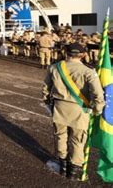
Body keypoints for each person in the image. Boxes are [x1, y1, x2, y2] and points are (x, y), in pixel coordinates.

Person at [42, 43, 105, 180]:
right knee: (78, 140)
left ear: (66, 52)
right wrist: (98, 110)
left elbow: (46, 88)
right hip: (80, 110)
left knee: (60, 136)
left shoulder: (54, 67)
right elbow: (98, 95)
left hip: (59, 107)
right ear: (83, 55)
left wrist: (47, 103)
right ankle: (74, 171)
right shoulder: (88, 71)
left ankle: (62, 165)